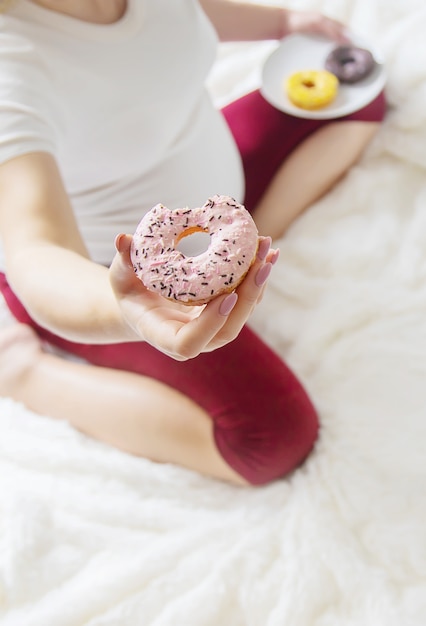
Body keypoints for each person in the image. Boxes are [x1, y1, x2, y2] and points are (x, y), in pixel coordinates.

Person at [0, 0, 385, 486]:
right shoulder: (12, 66)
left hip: (210, 184)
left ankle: (244, 244)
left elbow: (186, 12)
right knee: (269, 443)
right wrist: (125, 307)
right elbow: (37, 249)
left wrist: (282, 23)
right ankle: (22, 376)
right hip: (105, 282)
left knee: (358, 94)